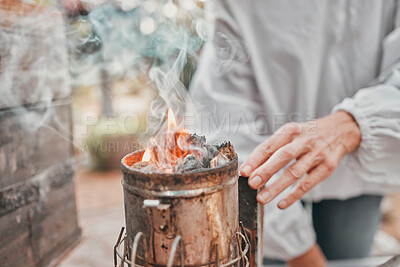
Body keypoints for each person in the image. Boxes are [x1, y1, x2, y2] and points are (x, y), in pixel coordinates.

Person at [190, 1, 400, 266]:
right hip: (267, 182)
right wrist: (298, 249)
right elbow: (224, 120)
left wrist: (355, 123)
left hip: (359, 168)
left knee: (350, 256)